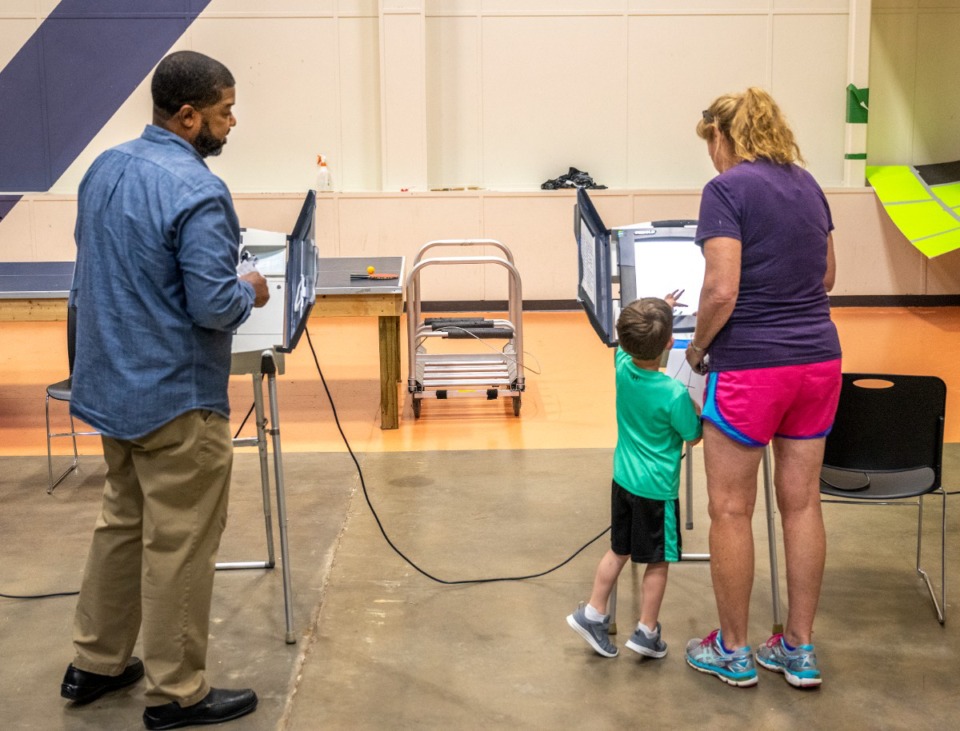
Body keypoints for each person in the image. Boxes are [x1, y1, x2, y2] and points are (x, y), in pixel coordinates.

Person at [60, 51, 270, 729]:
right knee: (179, 543)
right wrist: (251, 288)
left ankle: (94, 662)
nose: (231, 123)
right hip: (177, 400)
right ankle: (177, 691)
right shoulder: (199, 190)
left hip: (112, 390)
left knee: (121, 525)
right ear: (188, 116)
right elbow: (213, 306)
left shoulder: (104, 168)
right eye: (224, 111)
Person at [683, 87, 841, 689]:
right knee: (800, 504)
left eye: (711, 147)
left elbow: (721, 290)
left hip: (752, 366)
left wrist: (697, 351)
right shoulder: (808, 184)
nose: (712, 159)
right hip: (817, 363)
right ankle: (798, 649)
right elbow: (827, 275)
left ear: (724, 137)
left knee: (730, 508)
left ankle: (733, 649)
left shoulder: (726, 190)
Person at [567, 294, 702, 659]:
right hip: (657, 492)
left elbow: (629, 346)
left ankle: (594, 612)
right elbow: (693, 434)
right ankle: (647, 631)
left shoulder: (622, 366)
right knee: (657, 560)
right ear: (670, 345)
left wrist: (663, 309)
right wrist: (696, 408)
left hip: (623, 480)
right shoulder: (673, 393)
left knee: (619, 549)